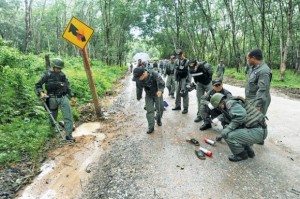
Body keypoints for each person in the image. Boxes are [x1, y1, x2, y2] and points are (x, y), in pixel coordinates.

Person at [210, 93, 268, 162]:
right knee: (234, 129)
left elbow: (241, 116)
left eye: (218, 107)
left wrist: (228, 129)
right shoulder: (231, 102)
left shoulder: (230, 103)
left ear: (220, 104)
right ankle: (249, 151)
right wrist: (222, 133)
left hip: (257, 132)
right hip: (259, 129)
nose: (219, 108)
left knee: (229, 135)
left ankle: (241, 155)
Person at [35, 58, 76, 141]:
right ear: (53, 66)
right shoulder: (46, 75)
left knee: (68, 116)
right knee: (52, 116)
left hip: (63, 97)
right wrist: (41, 93)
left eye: (60, 68)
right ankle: (52, 132)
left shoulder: (63, 75)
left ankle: (69, 135)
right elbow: (37, 85)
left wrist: (71, 96)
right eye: (57, 68)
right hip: (52, 98)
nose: (59, 70)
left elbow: (67, 86)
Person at [132, 67, 165, 134]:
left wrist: (160, 91)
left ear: (144, 73)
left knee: (160, 109)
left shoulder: (154, 74)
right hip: (148, 95)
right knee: (149, 111)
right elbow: (138, 88)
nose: (138, 79)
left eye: (139, 77)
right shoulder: (139, 79)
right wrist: (138, 96)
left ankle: (158, 120)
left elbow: (162, 83)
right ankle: (151, 127)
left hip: (157, 94)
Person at [245, 49, 272, 116]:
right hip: (251, 100)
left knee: (256, 121)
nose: (247, 60)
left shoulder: (264, 71)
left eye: (248, 58)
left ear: (253, 58)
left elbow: (263, 90)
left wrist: (257, 105)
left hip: (258, 101)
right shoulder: (253, 68)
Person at [172, 49, 191, 114]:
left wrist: (188, 82)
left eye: (180, 55)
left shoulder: (187, 61)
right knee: (177, 93)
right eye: (178, 55)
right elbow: (175, 70)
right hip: (178, 79)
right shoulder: (177, 61)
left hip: (184, 80)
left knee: (184, 93)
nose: (179, 56)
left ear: (183, 54)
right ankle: (177, 106)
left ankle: (185, 108)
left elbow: (189, 73)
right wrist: (175, 79)